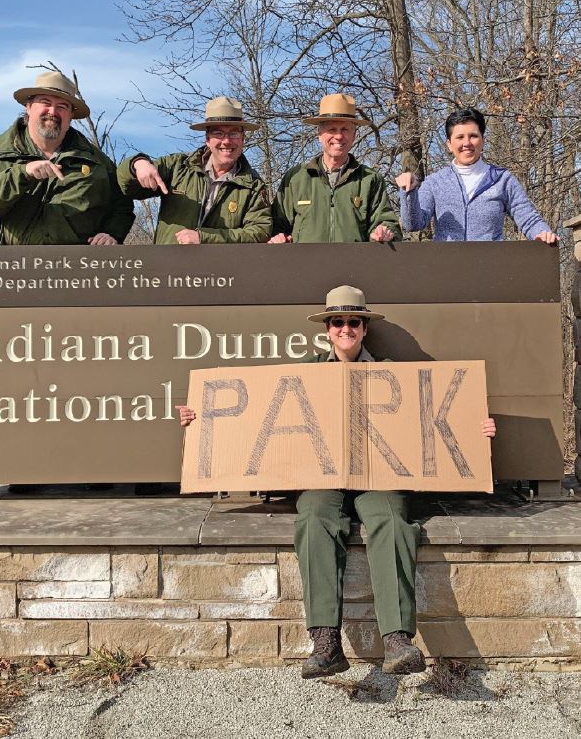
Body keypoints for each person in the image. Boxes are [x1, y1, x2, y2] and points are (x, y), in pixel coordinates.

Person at [178, 285, 497, 678]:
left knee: (393, 523)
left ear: (363, 329)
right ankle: (325, 641)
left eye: (353, 322)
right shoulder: (305, 374)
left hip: (378, 478)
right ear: (328, 330)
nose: (345, 328)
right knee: (313, 519)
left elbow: (431, 422)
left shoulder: (395, 375)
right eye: (338, 322)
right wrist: (202, 420)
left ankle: (397, 640)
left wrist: (474, 428)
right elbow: (253, 422)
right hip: (322, 479)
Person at [0, 71, 134, 245]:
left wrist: (111, 233)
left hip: (76, 267)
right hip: (10, 266)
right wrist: (22, 173)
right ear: (29, 107)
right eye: (45, 103)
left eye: (62, 106)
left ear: (70, 116)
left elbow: (122, 206)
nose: (53, 111)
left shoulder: (97, 161)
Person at [117, 97, 271, 244]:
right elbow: (128, 188)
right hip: (169, 268)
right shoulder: (177, 167)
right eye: (218, 133)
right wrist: (137, 163)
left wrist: (205, 238)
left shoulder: (253, 185)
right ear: (207, 139)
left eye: (234, 133)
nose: (226, 141)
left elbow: (260, 231)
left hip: (223, 270)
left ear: (243, 138)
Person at [395, 107, 559, 243]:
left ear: (483, 140)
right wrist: (408, 192)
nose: (467, 143)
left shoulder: (502, 179)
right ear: (449, 145)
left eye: (473, 136)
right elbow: (413, 224)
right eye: (460, 137)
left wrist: (542, 233)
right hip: (446, 273)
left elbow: (528, 218)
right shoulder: (434, 182)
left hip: (491, 272)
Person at [270, 94, 401, 244]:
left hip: (355, 266)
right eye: (332, 129)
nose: (339, 136)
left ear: (354, 135)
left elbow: (389, 223)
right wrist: (278, 238)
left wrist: (385, 231)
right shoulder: (295, 178)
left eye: (345, 129)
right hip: (305, 266)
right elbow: (276, 226)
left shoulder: (370, 179)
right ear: (319, 134)